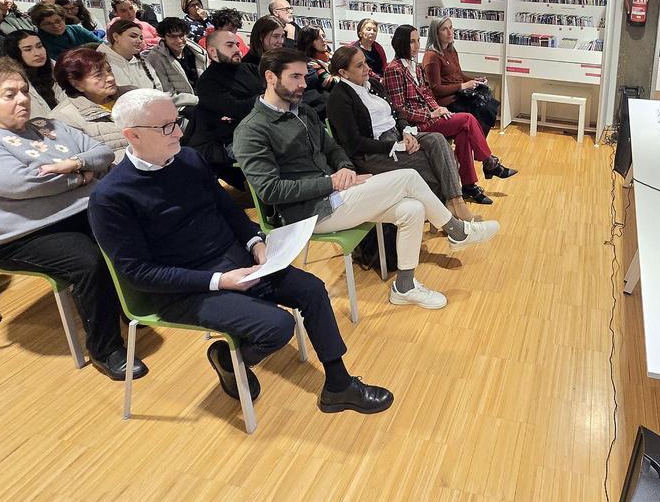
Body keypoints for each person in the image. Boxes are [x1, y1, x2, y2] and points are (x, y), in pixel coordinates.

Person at [87, 89, 392, 411]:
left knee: (313, 289)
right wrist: (221, 281)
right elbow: (139, 273)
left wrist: (255, 242)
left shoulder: (188, 159)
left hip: (237, 262)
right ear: (132, 135)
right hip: (185, 289)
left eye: (177, 122)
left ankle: (339, 384)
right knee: (277, 326)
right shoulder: (111, 197)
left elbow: (229, 211)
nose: (178, 132)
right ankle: (228, 359)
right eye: (166, 127)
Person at [234, 49, 500, 311]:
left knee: (413, 208)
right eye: (295, 77)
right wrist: (333, 182)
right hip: (306, 214)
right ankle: (457, 230)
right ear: (270, 77)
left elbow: (334, 149)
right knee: (409, 176)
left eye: (304, 76)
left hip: (333, 194)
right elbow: (270, 191)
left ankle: (404, 287)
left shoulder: (302, 111)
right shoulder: (251, 130)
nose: (304, 84)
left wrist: (345, 169)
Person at [0, 57, 143, 380]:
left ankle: (132, 307)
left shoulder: (48, 127)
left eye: (23, 91)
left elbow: (103, 154)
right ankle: (105, 348)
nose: (22, 99)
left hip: (71, 215)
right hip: (15, 236)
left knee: (127, 227)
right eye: (8, 95)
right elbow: (23, 184)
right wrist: (82, 175)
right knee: (88, 260)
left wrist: (71, 164)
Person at [326, 45, 475, 222]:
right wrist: (394, 145)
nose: (367, 68)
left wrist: (406, 132)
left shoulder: (371, 84)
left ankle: (454, 203)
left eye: (365, 62)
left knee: (437, 139)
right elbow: (354, 143)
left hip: (396, 136)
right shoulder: (339, 98)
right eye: (359, 66)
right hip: (373, 153)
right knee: (433, 164)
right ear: (343, 73)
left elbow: (396, 112)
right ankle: (448, 217)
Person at [384, 24, 516, 206]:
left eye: (417, 41)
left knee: (463, 133)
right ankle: (489, 162)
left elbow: (428, 94)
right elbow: (399, 108)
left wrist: (438, 110)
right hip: (417, 124)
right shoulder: (394, 69)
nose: (416, 46)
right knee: (468, 118)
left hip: (433, 114)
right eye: (411, 42)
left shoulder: (416, 66)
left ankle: (469, 185)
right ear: (400, 44)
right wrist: (431, 114)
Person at [189, 28, 264, 168]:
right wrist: (266, 98)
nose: (237, 49)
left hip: (263, 129)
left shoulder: (250, 68)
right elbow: (236, 109)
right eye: (229, 45)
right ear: (212, 51)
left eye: (237, 44)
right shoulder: (207, 82)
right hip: (234, 140)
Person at [422, 16, 501, 135]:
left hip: (459, 96)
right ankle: (477, 148)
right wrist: (464, 86)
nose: (450, 32)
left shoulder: (451, 50)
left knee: (489, 105)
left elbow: (458, 75)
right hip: (446, 101)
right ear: (436, 34)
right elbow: (436, 89)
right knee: (481, 110)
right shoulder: (432, 56)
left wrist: (475, 81)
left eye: (451, 27)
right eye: (444, 29)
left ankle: (477, 148)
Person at [97, 19, 198, 109]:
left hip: (154, 111)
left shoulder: (143, 62)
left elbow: (159, 92)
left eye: (141, 38)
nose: (139, 41)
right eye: (133, 36)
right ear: (116, 37)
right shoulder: (99, 62)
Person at [51, 47, 129, 161]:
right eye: (98, 75)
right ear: (76, 84)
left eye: (109, 70)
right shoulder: (64, 119)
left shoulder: (133, 95)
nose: (110, 78)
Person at [4, 30, 64, 117]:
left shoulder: (55, 67)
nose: (37, 53)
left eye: (39, 46)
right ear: (15, 53)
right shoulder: (11, 82)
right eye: (28, 49)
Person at [145, 16, 208, 97]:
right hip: (180, 104)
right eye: (172, 36)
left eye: (181, 35)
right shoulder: (155, 57)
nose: (178, 40)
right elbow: (165, 91)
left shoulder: (197, 51)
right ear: (163, 37)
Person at [30, 3, 100, 60]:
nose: (56, 26)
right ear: (39, 26)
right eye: (48, 24)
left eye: (58, 21)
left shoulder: (77, 29)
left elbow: (102, 44)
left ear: (63, 19)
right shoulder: (39, 42)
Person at [294, 25, 336, 120]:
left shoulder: (331, 55)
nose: (323, 40)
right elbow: (328, 82)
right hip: (323, 109)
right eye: (317, 38)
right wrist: (345, 76)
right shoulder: (309, 62)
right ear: (308, 42)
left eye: (323, 36)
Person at [351, 17, 387, 94]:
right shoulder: (355, 49)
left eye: (375, 30)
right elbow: (364, 69)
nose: (372, 32)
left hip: (380, 82)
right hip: (363, 82)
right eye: (368, 29)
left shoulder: (378, 47)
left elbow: (384, 65)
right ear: (360, 33)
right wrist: (380, 80)